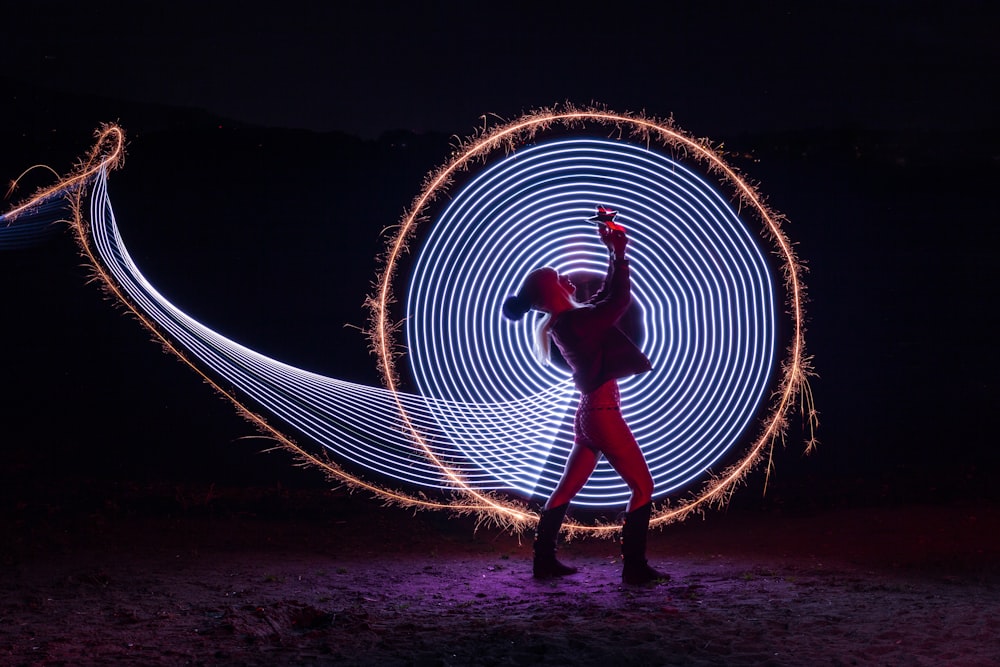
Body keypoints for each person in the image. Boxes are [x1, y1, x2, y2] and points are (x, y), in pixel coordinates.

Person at [502, 208, 666, 585]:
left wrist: (613, 251)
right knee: (643, 486)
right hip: (603, 412)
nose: (567, 278)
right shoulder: (574, 322)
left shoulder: (567, 321)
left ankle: (544, 562)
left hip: (591, 412)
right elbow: (616, 303)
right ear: (553, 292)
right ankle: (635, 569)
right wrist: (620, 255)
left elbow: (607, 298)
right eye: (560, 278)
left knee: (565, 488)